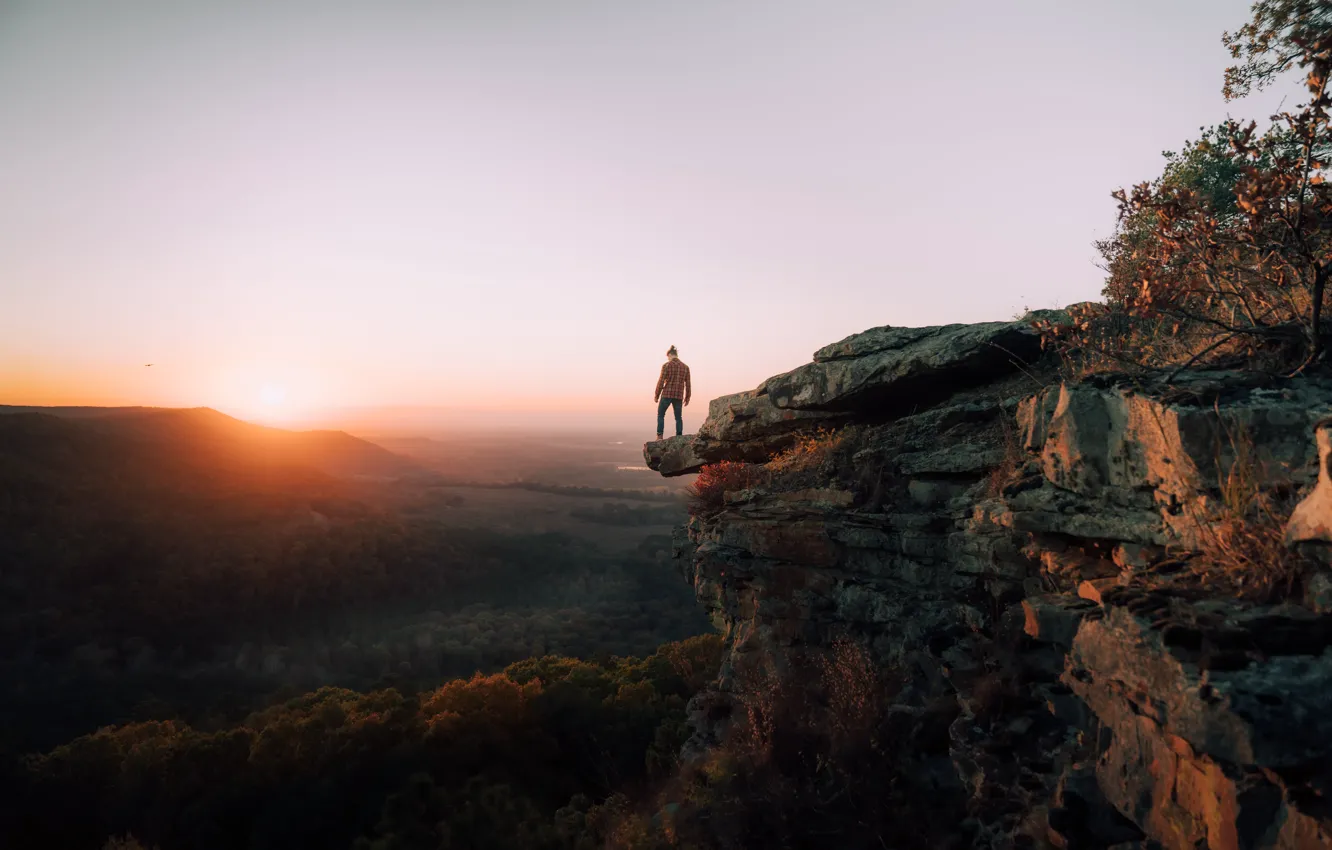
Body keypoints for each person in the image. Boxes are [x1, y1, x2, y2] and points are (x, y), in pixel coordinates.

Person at [654, 345, 691, 439]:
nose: (668, 359)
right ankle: (679, 436)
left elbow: (661, 381)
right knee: (678, 418)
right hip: (678, 395)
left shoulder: (666, 365)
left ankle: (659, 436)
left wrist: (656, 395)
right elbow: (688, 384)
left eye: (668, 357)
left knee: (661, 415)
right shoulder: (685, 367)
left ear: (670, 355)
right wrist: (687, 397)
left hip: (667, 394)